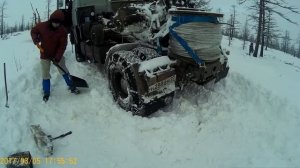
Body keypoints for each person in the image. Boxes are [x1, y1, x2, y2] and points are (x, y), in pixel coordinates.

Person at [31, 9, 79, 102]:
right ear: (51, 20)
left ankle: (71, 86)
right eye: (54, 22)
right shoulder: (42, 26)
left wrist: (58, 57)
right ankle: (46, 91)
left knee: (63, 70)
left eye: (58, 23)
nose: (56, 24)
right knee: (45, 73)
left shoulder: (62, 31)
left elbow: (62, 46)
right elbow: (33, 31)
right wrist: (36, 40)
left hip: (57, 54)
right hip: (44, 54)